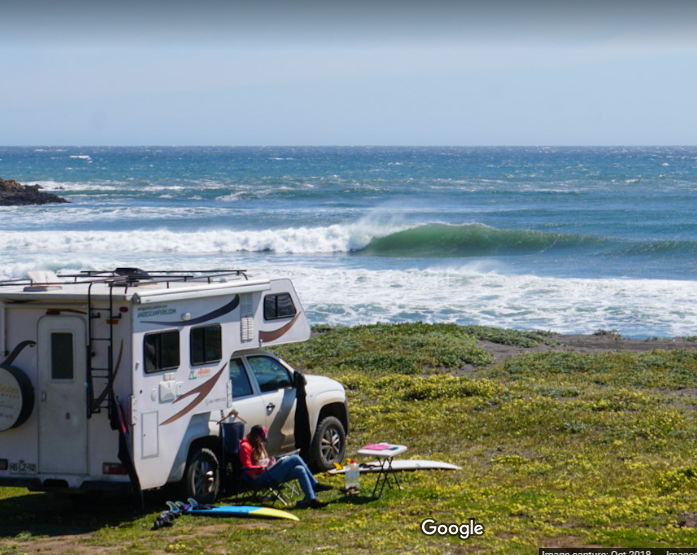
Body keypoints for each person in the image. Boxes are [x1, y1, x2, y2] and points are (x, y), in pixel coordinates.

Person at [239, 424, 333, 509]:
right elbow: (248, 468)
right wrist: (264, 467)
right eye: (261, 439)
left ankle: (311, 500)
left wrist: (271, 463)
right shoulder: (245, 446)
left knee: (300, 470)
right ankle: (315, 485)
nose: (262, 442)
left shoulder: (257, 445)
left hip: (268, 472)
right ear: (256, 437)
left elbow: (261, 460)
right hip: (260, 478)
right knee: (295, 458)